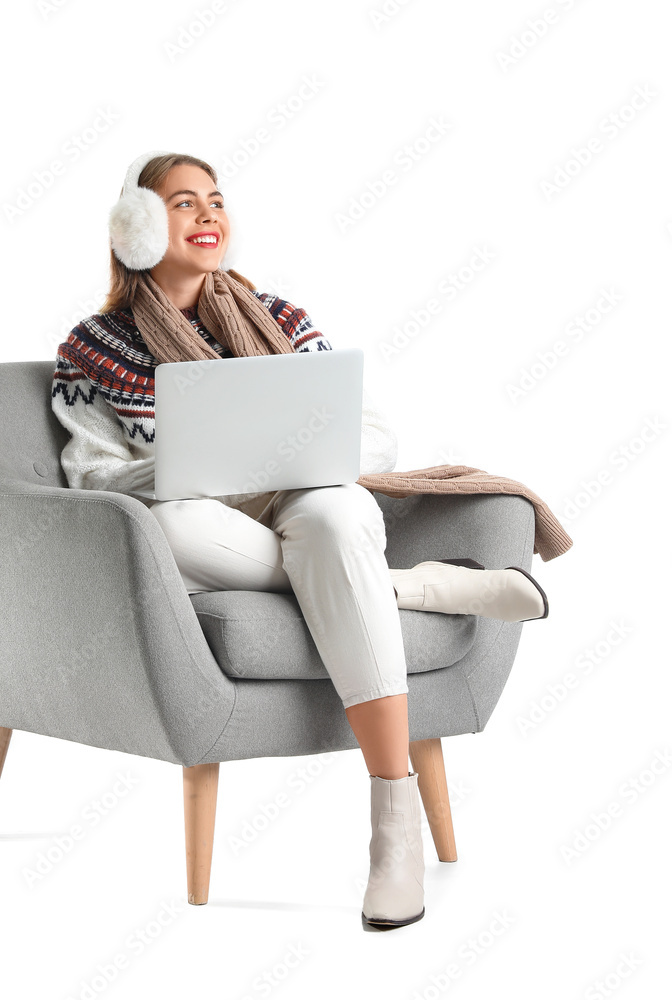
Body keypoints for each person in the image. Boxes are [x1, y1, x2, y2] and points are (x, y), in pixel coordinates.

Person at [50, 150, 549, 930]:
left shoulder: (279, 318)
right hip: (201, 524)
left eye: (216, 199)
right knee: (173, 522)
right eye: (184, 203)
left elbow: (375, 434)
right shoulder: (93, 347)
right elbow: (92, 480)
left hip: (307, 506)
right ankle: (415, 585)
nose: (209, 215)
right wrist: (187, 472)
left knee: (337, 516)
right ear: (138, 227)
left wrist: (299, 455)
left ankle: (393, 833)